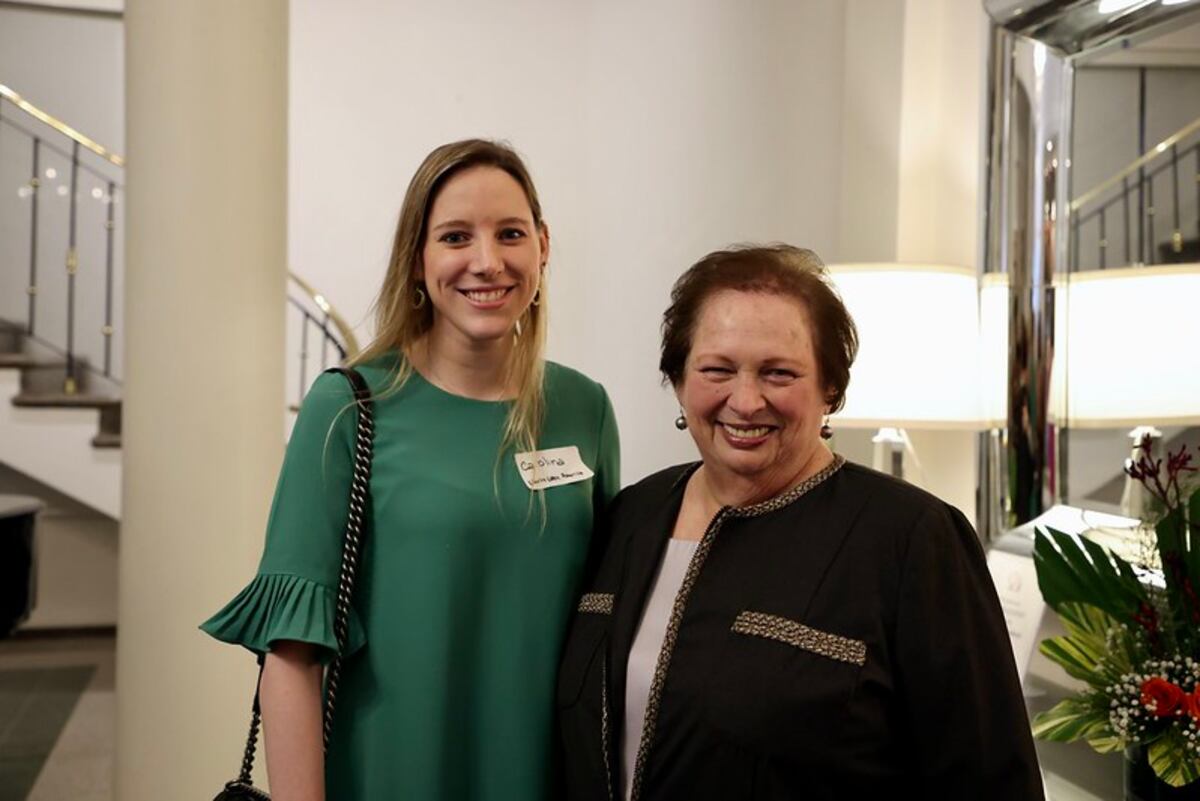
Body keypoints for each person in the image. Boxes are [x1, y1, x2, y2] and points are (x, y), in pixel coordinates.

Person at [202, 139, 620, 801]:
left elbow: (603, 619)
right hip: (393, 772)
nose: (487, 261)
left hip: (547, 775)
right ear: (418, 260)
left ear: (542, 245)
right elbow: (290, 654)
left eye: (510, 233)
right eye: (456, 236)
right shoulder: (349, 406)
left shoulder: (583, 407)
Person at [556, 244, 1042, 800]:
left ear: (829, 388)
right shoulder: (631, 515)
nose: (745, 400)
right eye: (717, 369)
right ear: (678, 378)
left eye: (778, 373)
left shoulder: (912, 540)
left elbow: (990, 781)